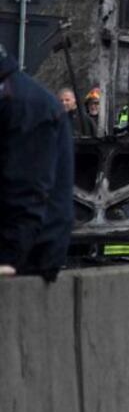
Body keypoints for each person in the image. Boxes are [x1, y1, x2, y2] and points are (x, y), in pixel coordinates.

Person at [0, 43, 74, 280]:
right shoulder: (17, 98)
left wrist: (8, 256)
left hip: (30, 256)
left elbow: (27, 189)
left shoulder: (23, 103)